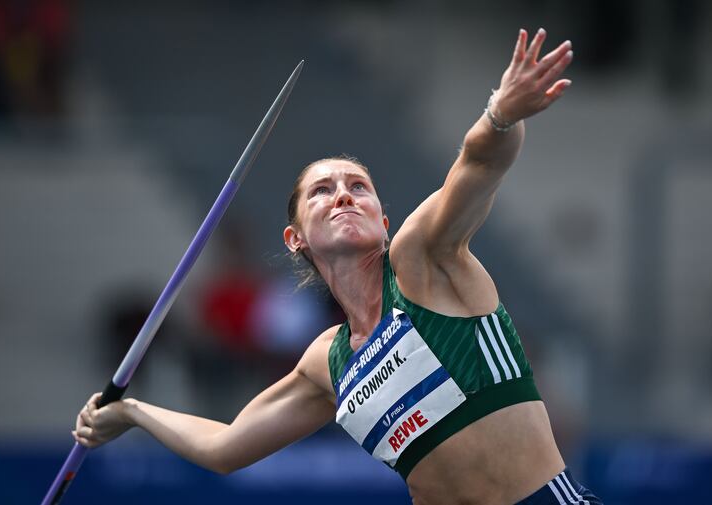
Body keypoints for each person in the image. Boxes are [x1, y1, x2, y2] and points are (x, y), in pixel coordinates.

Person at [74, 28, 603, 505]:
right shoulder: (325, 364)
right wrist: (131, 412)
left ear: (384, 219)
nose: (344, 197)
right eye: (322, 191)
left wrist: (501, 113)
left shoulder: (422, 261)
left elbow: (481, 161)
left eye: (359, 188)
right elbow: (226, 447)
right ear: (295, 239)